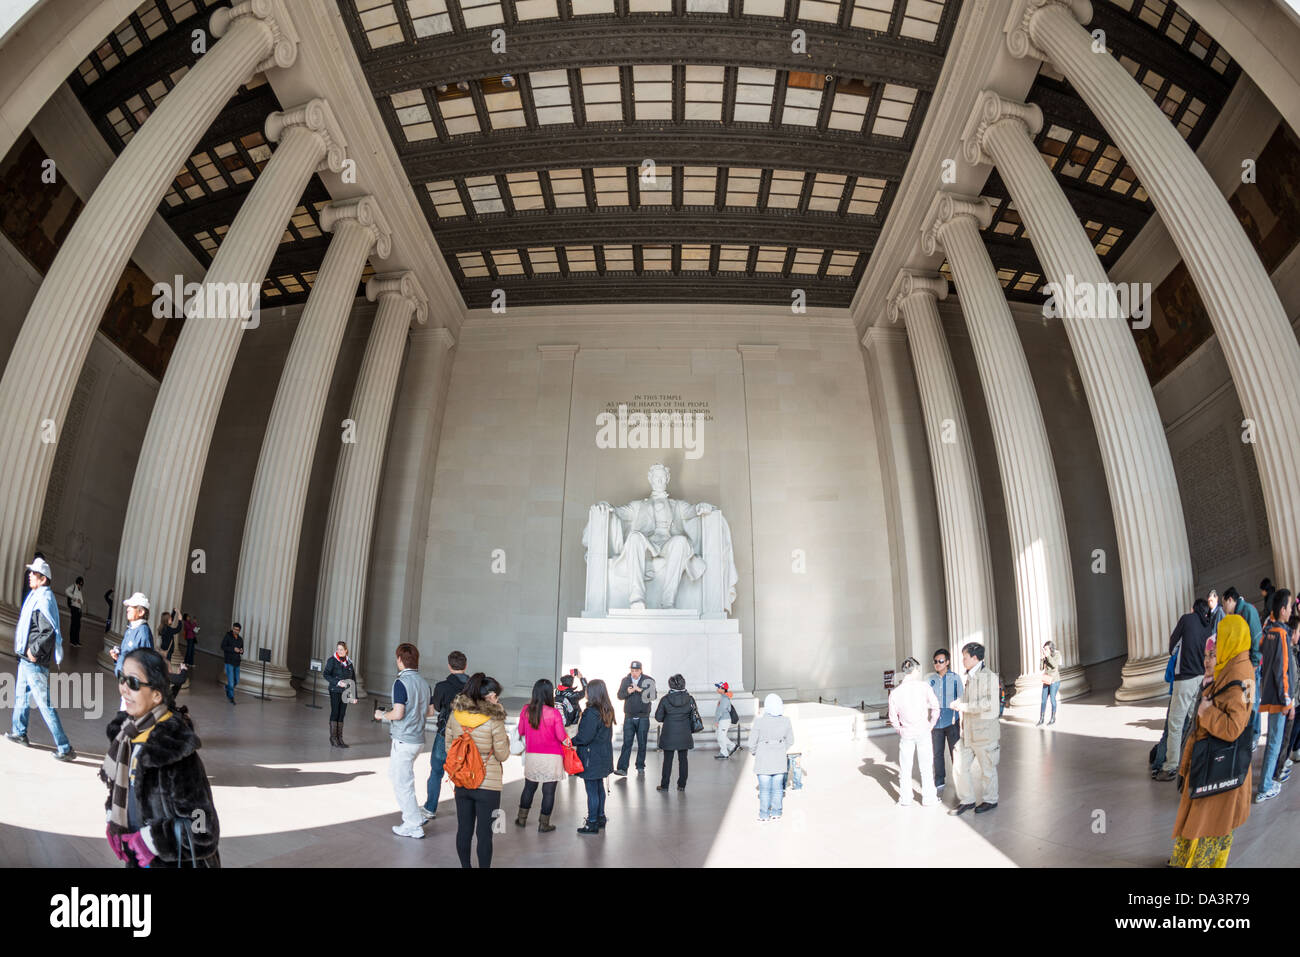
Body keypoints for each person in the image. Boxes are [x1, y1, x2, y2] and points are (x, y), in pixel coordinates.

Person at [101, 648, 220, 867]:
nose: (124, 689)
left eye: (134, 683)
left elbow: (203, 828)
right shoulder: (126, 737)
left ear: (157, 695)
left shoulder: (175, 752)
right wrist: (115, 820)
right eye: (121, 679)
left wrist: (151, 841)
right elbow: (126, 792)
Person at [1169, 615, 1253, 867]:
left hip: (1218, 766)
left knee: (1211, 826)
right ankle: (1184, 861)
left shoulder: (1239, 673)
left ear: (1232, 639)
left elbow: (1234, 728)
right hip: (1212, 764)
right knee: (1208, 823)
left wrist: (1207, 713)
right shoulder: (1231, 666)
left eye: (1224, 635)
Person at [6, 558, 75, 760]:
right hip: (27, 659)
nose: (29, 575)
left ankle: (65, 747)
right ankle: (19, 732)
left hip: (34, 661)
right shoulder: (37, 595)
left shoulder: (44, 599)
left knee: (44, 704)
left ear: (43, 578)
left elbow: (48, 631)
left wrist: (33, 651)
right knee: (21, 696)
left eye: (33, 573)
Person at [444, 673, 510, 867]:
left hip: (462, 780)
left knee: (464, 830)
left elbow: (449, 747)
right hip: (488, 785)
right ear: (489, 696)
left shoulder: (456, 714)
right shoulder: (494, 719)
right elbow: (502, 755)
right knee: (484, 834)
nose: (497, 699)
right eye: (496, 696)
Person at [374, 643, 434, 839]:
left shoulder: (401, 683)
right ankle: (415, 815)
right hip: (418, 740)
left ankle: (413, 824)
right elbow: (430, 712)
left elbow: (398, 713)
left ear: (400, 660)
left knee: (403, 783)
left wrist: (382, 715)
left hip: (404, 740)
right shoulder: (425, 683)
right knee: (395, 775)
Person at [1156, 599, 1216, 782]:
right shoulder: (1209, 626)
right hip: (1200, 679)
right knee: (1192, 723)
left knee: (1175, 724)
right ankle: (1190, 761)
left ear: (1193, 609)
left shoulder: (1186, 619)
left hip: (1185, 679)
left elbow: (1172, 647)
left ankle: (1170, 766)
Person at [948, 642, 1000, 815]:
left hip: (985, 734)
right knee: (959, 765)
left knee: (987, 770)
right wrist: (960, 703)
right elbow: (970, 699)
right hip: (968, 733)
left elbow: (988, 703)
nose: (963, 660)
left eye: (965, 657)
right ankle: (967, 799)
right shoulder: (970, 676)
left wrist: (964, 706)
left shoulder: (989, 677)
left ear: (975, 658)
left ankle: (990, 800)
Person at [515, 678, 570, 833]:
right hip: (552, 757)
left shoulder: (526, 710)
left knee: (529, 788)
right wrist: (569, 742)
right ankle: (544, 824)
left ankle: (521, 819)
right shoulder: (554, 713)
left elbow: (521, 731)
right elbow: (561, 736)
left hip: (532, 755)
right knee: (549, 792)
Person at [1255, 589, 1293, 803]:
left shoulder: (1269, 630)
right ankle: (1265, 786)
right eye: (1288, 608)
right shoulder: (1282, 634)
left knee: (1271, 740)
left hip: (1268, 693)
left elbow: (1262, 653)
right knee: (1274, 743)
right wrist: (1287, 698)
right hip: (1279, 697)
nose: (1290, 611)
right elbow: (1283, 669)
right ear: (1282, 610)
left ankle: (1266, 782)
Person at [888, 657, 941, 807]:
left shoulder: (895, 693)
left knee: (905, 768)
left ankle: (905, 799)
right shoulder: (924, 687)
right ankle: (929, 798)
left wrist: (900, 730)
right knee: (926, 767)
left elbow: (892, 718)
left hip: (906, 734)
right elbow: (936, 707)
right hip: (923, 731)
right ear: (916, 670)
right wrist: (931, 724)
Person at [423, 650, 469, 817]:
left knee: (436, 771)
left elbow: (436, 708)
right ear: (466, 666)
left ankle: (430, 808)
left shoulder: (442, 686)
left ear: (449, 666)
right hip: (466, 736)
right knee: (462, 772)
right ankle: (463, 810)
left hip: (445, 733)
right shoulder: (474, 687)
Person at [574, 679, 615, 834]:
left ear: (592, 693)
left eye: (586, 690)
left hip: (592, 757)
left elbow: (585, 737)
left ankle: (592, 823)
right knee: (599, 787)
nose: (584, 692)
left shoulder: (591, 712)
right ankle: (600, 817)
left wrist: (571, 741)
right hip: (603, 755)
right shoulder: (607, 709)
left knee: (592, 789)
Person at [1223, 586, 1263, 746]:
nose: (1223, 607)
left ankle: (1253, 736)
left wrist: (1253, 665)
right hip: (1242, 666)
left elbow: (1256, 638)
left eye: (1223, 602)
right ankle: (1247, 734)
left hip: (1250, 667)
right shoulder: (1237, 614)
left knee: (1252, 701)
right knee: (1246, 700)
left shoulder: (1247, 611)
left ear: (1230, 600)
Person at [749, 693, 794, 822]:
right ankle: (777, 812)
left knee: (764, 790)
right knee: (778, 789)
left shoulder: (759, 721)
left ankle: (764, 815)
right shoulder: (786, 720)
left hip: (763, 759)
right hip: (779, 759)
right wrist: (780, 749)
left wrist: (756, 752)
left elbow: (751, 743)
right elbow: (791, 740)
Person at [926, 648, 962, 792]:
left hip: (952, 721)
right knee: (937, 753)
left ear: (947, 662)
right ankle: (939, 780)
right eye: (935, 661)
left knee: (956, 752)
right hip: (936, 722)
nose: (938, 664)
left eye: (941, 661)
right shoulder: (930, 680)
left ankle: (960, 779)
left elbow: (960, 697)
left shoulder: (955, 678)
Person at [654, 674, 697, 791]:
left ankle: (664, 785)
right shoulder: (690, 699)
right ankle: (682, 785)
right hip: (684, 734)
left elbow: (658, 717)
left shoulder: (665, 699)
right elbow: (693, 716)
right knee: (683, 760)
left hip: (669, 734)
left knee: (667, 760)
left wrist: (668, 718)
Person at [614, 660, 657, 776]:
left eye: (636, 671)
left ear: (641, 670)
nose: (634, 673)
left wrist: (640, 690)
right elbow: (619, 695)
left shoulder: (649, 680)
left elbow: (653, 696)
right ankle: (622, 768)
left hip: (643, 717)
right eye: (632, 670)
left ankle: (640, 766)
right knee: (627, 743)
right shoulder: (625, 680)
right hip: (628, 717)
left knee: (642, 743)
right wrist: (628, 692)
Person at [111, 592, 154, 677]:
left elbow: (145, 665)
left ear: (141, 612)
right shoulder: (131, 629)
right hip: (124, 678)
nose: (128, 609)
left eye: (132, 606)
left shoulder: (143, 633)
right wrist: (118, 657)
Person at [322, 641, 356, 747]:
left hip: (345, 692)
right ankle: (333, 738)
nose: (339, 651)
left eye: (341, 649)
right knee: (335, 712)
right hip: (335, 690)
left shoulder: (349, 663)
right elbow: (326, 674)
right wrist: (337, 682)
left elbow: (353, 680)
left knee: (342, 714)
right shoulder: (332, 660)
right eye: (338, 649)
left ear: (346, 650)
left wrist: (354, 696)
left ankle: (340, 738)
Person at [1038, 641, 1062, 726]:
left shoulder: (1057, 654)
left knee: (1052, 699)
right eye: (1044, 649)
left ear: (1050, 648)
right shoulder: (1045, 656)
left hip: (1054, 680)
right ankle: (1041, 718)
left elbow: (1054, 665)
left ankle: (1053, 718)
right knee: (1043, 700)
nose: (1044, 650)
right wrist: (1042, 659)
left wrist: (1048, 656)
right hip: (1047, 679)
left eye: (1046, 649)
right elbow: (1041, 668)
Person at [556, 668, 586, 734]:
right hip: (572, 725)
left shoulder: (557, 692)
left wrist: (570, 678)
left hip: (560, 724)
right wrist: (581, 678)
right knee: (571, 743)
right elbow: (586, 691)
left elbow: (566, 686)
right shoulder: (573, 695)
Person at [220, 622, 243, 705]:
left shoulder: (240, 639)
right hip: (229, 661)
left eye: (237, 630)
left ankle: (228, 688)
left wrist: (241, 651)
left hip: (237, 662)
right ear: (232, 628)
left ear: (239, 631)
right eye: (234, 629)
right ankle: (231, 697)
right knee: (231, 682)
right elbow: (222, 646)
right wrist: (233, 649)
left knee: (236, 680)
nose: (236, 631)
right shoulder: (228, 636)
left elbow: (241, 648)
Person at [713, 680, 737, 758]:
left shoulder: (724, 699)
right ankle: (733, 746)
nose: (717, 689)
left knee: (721, 737)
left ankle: (724, 753)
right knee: (719, 735)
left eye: (718, 687)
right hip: (723, 720)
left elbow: (720, 711)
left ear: (723, 689)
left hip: (724, 720)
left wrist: (716, 721)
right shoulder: (723, 697)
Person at [64, 576, 84, 647]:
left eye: (81, 584)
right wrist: (74, 598)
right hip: (74, 607)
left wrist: (80, 601)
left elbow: (82, 601)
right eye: (79, 583)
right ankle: (72, 641)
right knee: (74, 625)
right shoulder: (73, 586)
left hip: (78, 608)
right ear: (77, 582)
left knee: (78, 625)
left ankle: (76, 641)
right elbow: (66, 591)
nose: (80, 585)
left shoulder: (79, 589)